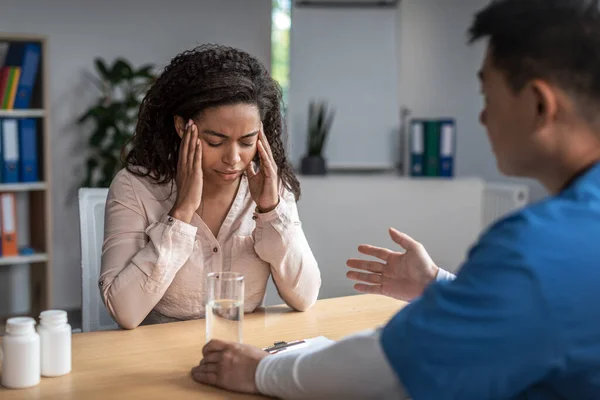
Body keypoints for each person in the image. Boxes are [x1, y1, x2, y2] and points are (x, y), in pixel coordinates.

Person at [190, 0, 600, 398]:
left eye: (488, 97)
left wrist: (261, 370)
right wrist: (441, 286)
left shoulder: (539, 249)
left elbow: (394, 368)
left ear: (538, 104)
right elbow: (547, 312)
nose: (482, 117)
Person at [99, 44, 321, 330]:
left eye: (246, 141)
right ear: (182, 127)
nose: (233, 158)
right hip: (155, 359)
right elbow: (125, 312)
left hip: (240, 353)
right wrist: (180, 214)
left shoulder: (270, 187)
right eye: (215, 141)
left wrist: (270, 210)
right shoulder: (135, 187)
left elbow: (305, 297)